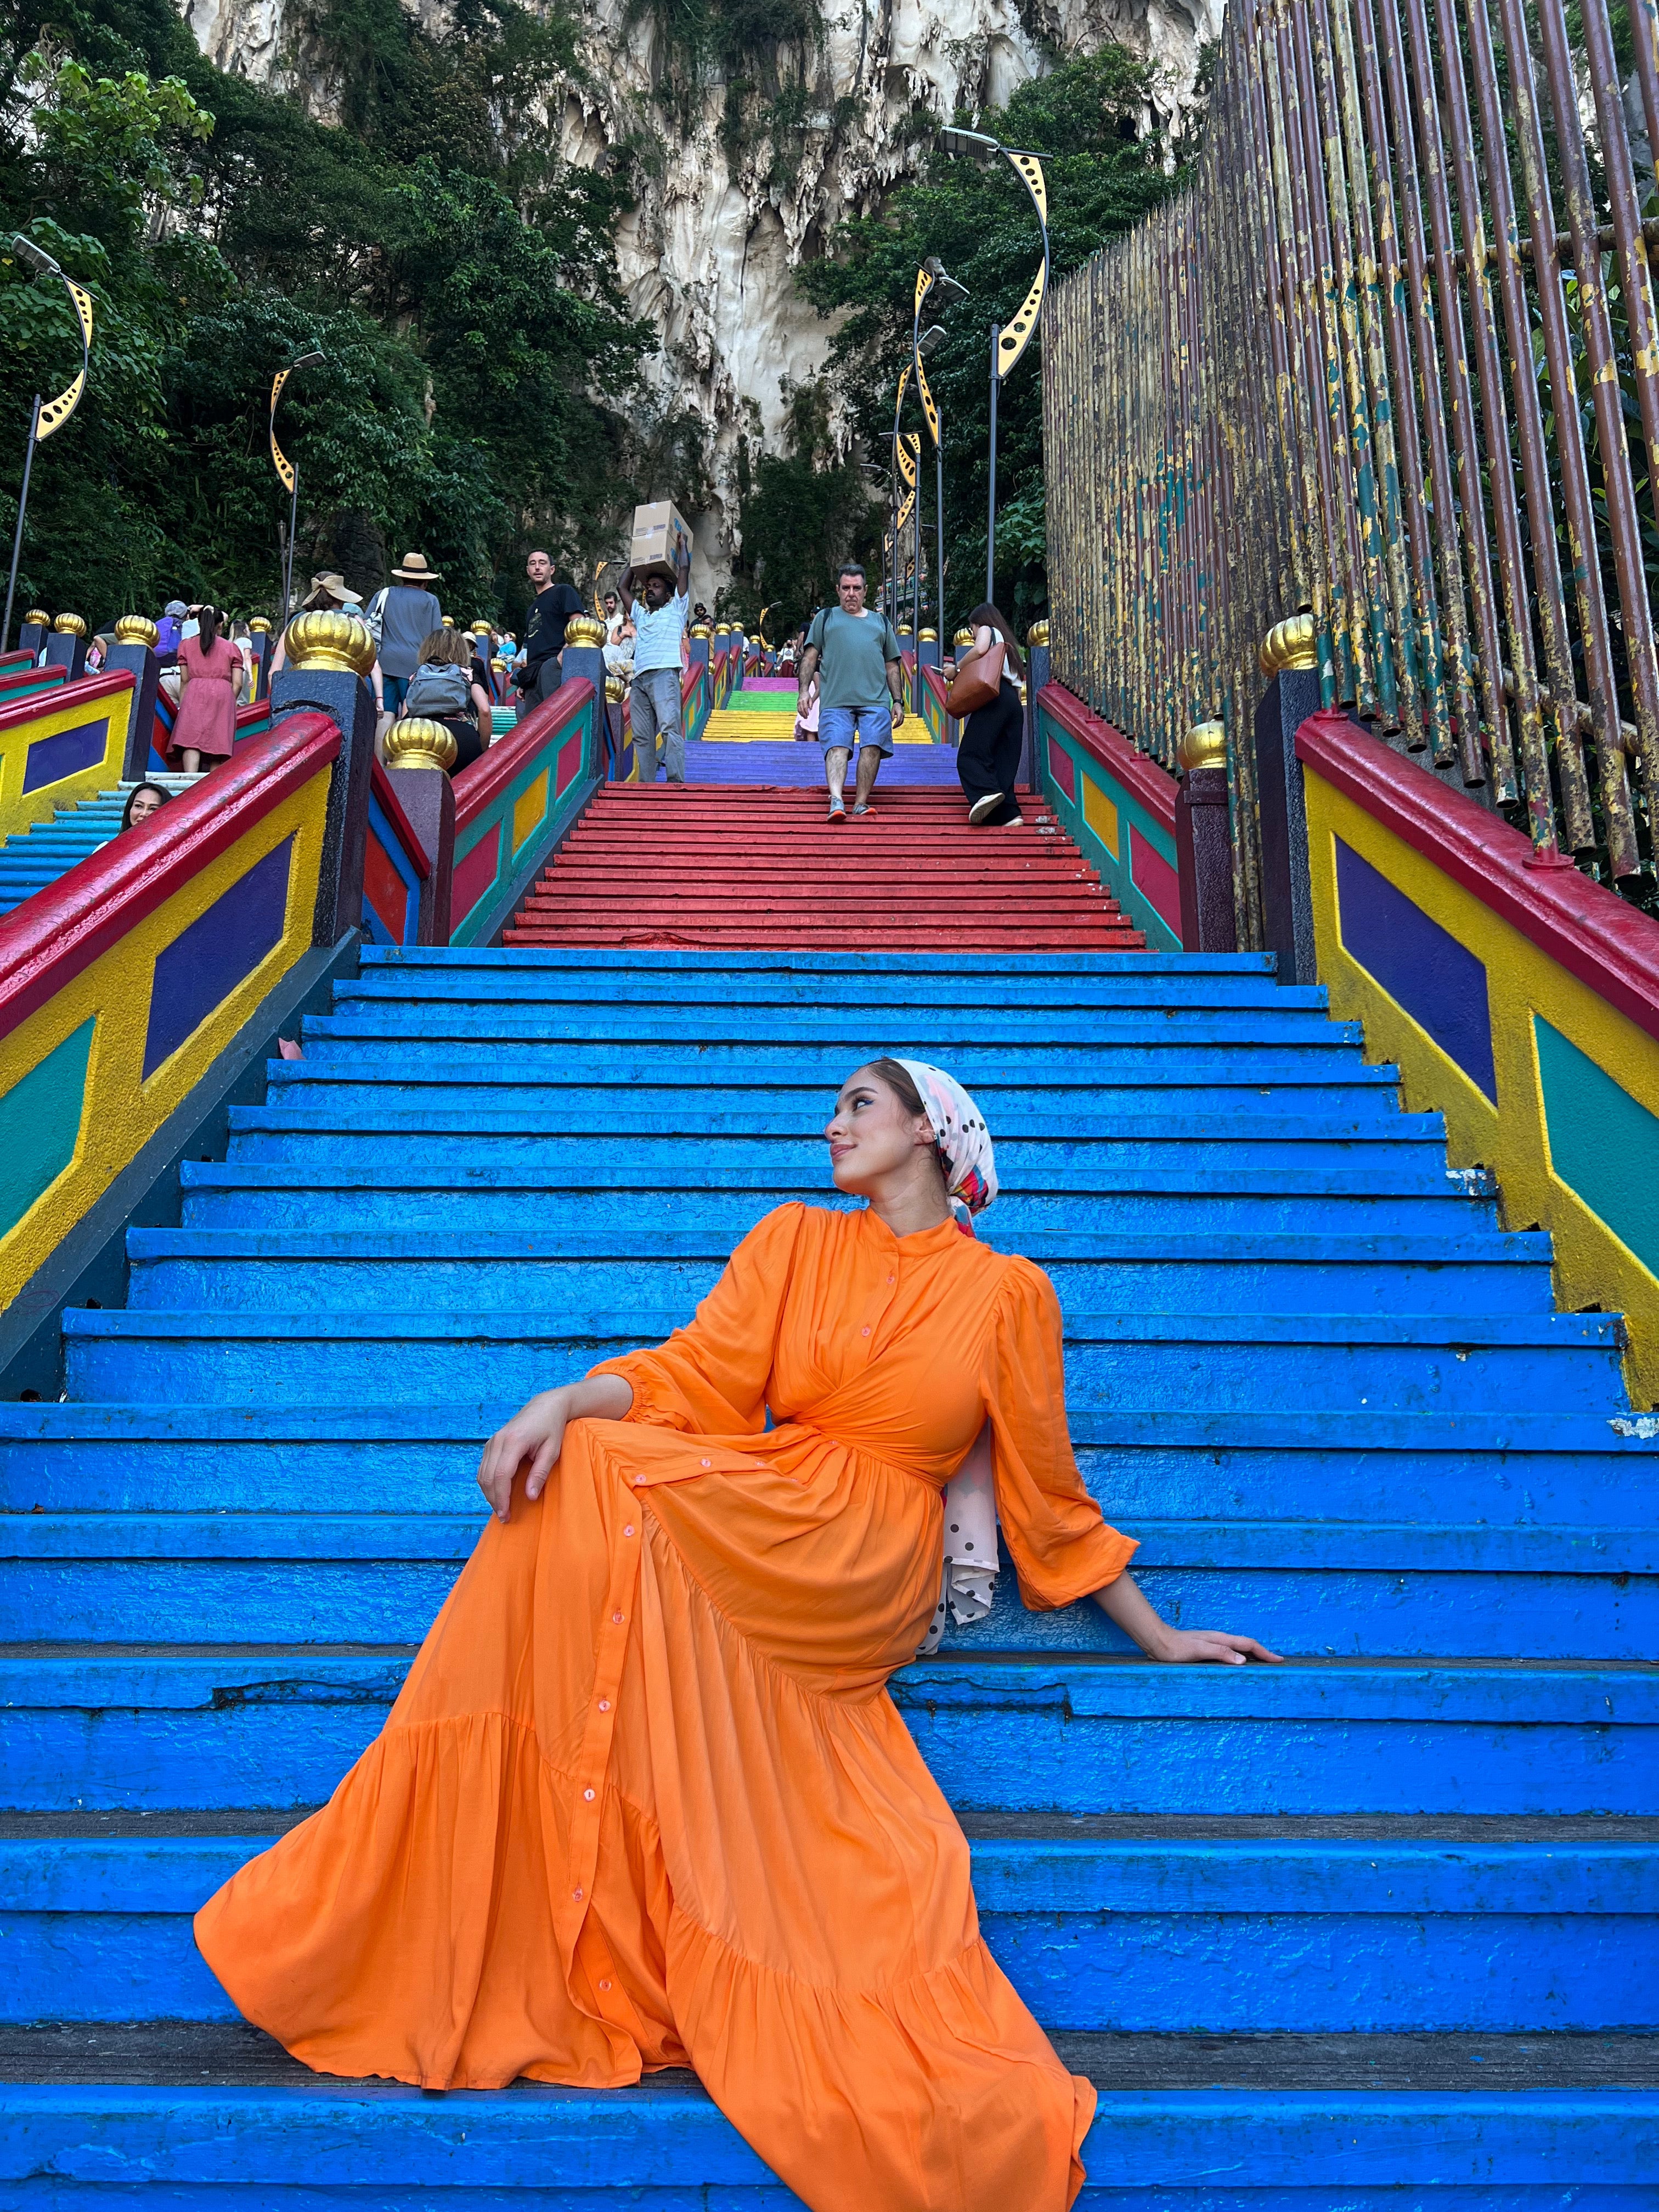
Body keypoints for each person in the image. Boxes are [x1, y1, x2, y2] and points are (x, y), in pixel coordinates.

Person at [194, 1056, 1279, 2212]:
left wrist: (1156, 1634)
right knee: (588, 1466)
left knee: (616, 1492)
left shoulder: (1010, 1296)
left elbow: (1049, 1498)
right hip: (764, 1495)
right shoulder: (791, 1243)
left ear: (929, 1130)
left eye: (858, 1106)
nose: (831, 1128)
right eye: (834, 1111)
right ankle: (501, 1888)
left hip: (868, 1550)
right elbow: (697, 1375)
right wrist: (560, 1401)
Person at [798, 563, 906, 822]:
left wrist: (899, 700)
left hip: (876, 700)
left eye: (856, 588)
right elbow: (809, 657)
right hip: (836, 699)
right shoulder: (826, 618)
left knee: (872, 747)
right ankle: (836, 800)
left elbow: (892, 665)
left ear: (866, 591)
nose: (851, 594)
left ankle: (860, 802)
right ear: (837, 590)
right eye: (846, 588)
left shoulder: (880, 622)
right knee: (837, 747)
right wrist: (804, 691)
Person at [619, 538, 692, 785]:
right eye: (648, 586)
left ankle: (674, 781)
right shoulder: (640, 614)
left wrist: (682, 548)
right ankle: (647, 784)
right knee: (641, 735)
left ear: (669, 593)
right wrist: (637, 560)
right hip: (639, 680)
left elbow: (684, 570)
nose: (650, 589)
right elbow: (622, 588)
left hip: (664, 675)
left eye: (657, 586)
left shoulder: (677, 610)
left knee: (670, 728)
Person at [955, 602, 1028, 827]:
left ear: (979, 622)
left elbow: (979, 650)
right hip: (1014, 705)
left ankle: (985, 792)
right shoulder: (1010, 645)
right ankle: (1009, 814)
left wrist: (957, 668)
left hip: (994, 696)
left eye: (971, 629)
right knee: (1002, 762)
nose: (974, 633)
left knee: (970, 755)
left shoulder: (987, 629)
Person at [396, 629, 493, 774]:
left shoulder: (418, 675)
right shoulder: (466, 673)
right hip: (461, 738)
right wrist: (483, 747)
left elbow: (407, 712)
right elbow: (485, 710)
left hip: (420, 737)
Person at [166, 605, 242, 772]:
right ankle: (211, 787)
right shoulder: (232, 648)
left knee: (191, 739)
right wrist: (230, 700)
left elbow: (185, 680)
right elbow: (238, 683)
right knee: (218, 744)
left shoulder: (186, 645)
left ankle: (189, 780)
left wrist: (182, 704)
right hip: (222, 693)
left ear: (199, 624)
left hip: (194, 691)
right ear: (220, 625)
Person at [374, 554, 445, 715]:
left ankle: (380, 742)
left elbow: (367, 625)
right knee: (411, 713)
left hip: (385, 664)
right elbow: (437, 637)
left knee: (385, 713)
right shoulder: (431, 600)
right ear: (425, 582)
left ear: (402, 578)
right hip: (416, 666)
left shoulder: (384, 595)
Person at [519, 550, 585, 707]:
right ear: (528, 570)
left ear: (552, 569)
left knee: (554, 719)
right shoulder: (532, 608)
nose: (537, 567)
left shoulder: (563, 591)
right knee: (532, 728)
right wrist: (525, 680)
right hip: (534, 674)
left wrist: (561, 658)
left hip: (553, 666)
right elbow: (533, 644)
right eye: (533, 564)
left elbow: (580, 625)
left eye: (542, 563)